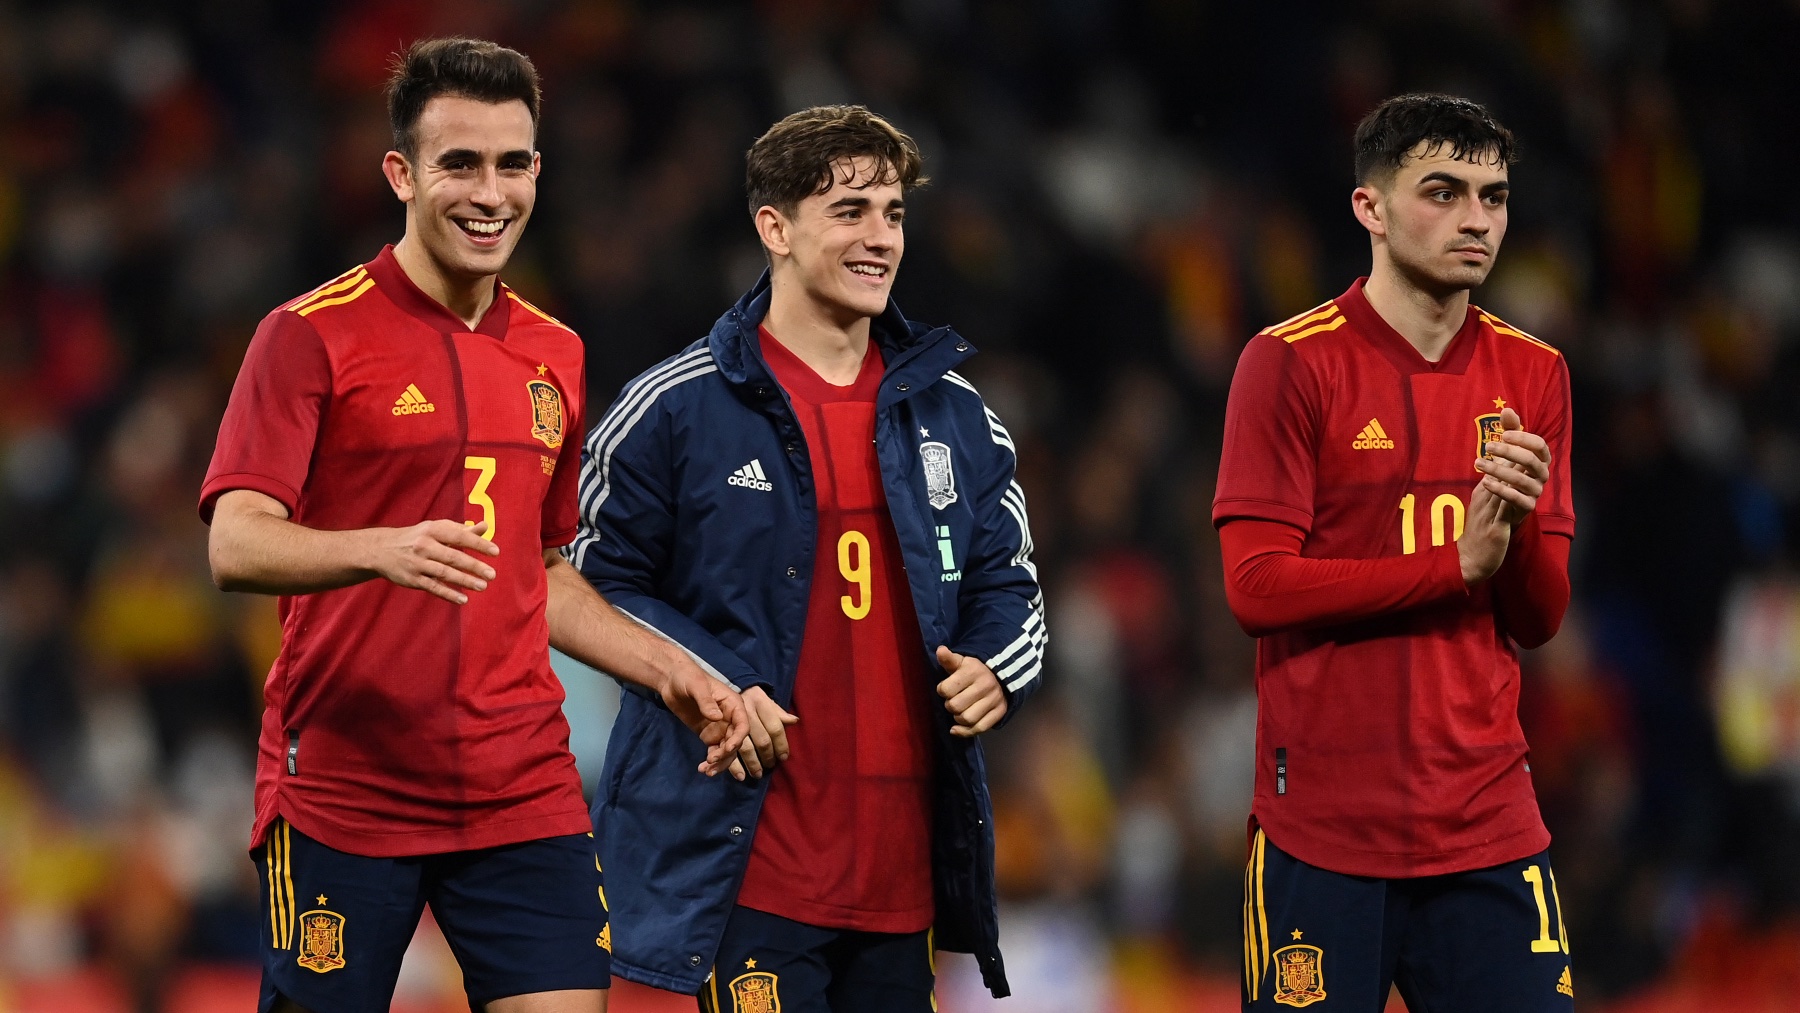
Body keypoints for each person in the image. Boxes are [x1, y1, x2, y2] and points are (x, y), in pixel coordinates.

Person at [200, 37, 746, 1013]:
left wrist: (669, 667)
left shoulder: (556, 353)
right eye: (460, 162)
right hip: (346, 791)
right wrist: (377, 545)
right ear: (401, 173)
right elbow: (235, 540)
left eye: (512, 162)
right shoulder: (309, 334)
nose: (490, 191)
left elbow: (541, 572)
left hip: (519, 787)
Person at [565, 104, 1044, 1011]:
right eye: (851, 211)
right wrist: (704, 680)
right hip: (750, 869)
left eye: (893, 213)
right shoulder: (673, 408)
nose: (880, 238)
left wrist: (995, 668)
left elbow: (1009, 583)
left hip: (902, 883)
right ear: (774, 228)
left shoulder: (956, 413)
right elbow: (589, 581)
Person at [1214, 93, 1576, 1012]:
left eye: (1493, 198)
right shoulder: (1288, 362)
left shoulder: (1535, 372)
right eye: (1443, 192)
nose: (1475, 220)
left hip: (1488, 822)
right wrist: (1451, 566)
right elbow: (1255, 588)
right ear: (1369, 208)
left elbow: (1538, 618)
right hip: (1323, 832)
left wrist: (1521, 524)